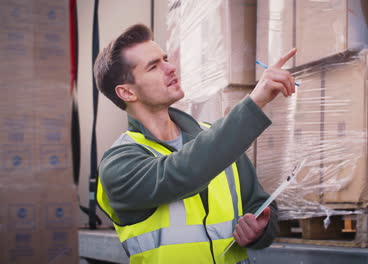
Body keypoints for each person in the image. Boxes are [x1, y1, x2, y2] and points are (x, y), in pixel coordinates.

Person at [94, 24, 297, 264]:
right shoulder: (119, 165)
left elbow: (259, 203)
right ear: (127, 93)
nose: (170, 68)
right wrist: (255, 101)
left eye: (165, 59)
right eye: (154, 66)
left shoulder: (212, 136)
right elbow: (183, 172)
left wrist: (259, 229)